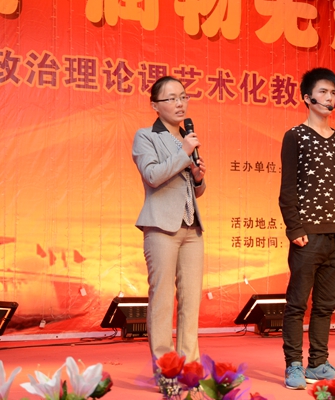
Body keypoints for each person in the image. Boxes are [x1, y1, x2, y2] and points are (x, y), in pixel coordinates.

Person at [278, 67, 335, 390]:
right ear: (307, 98)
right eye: (323, 92)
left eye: (333, 92)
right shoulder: (295, 136)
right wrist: (294, 227)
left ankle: (319, 363)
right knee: (297, 303)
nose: (330, 97)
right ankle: (294, 365)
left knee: (326, 304)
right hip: (307, 234)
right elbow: (287, 188)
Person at [132, 76, 207, 372]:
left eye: (183, 97)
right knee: (162, 299)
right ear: (155, 105)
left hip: (192, 227)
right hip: (161, 227)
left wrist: (199, 179)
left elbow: (193, 189)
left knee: (191, 300)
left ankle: (190, 367)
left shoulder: (186, 138)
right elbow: (152, 176)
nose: (180, 103)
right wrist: (183, 153)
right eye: (172, 98)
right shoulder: (146, 136)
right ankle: (166, 369)